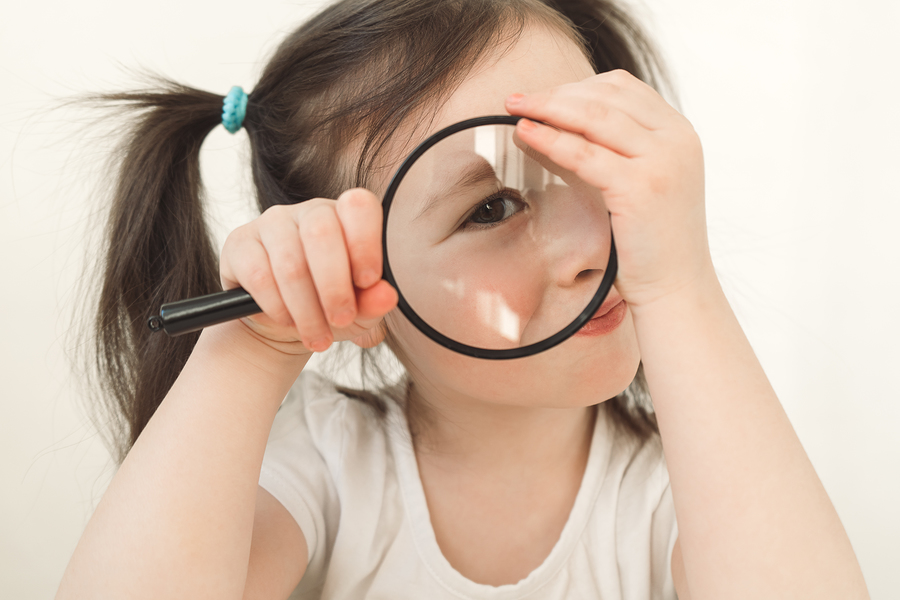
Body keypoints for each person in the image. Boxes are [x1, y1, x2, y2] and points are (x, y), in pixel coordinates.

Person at [56, 0, 869, 598]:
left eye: (594, 161)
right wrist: (248, 350)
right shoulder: (325, 466)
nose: (595, 244)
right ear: (359, 283)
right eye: (490, 209)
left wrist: (682, 288)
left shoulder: (680, 494)